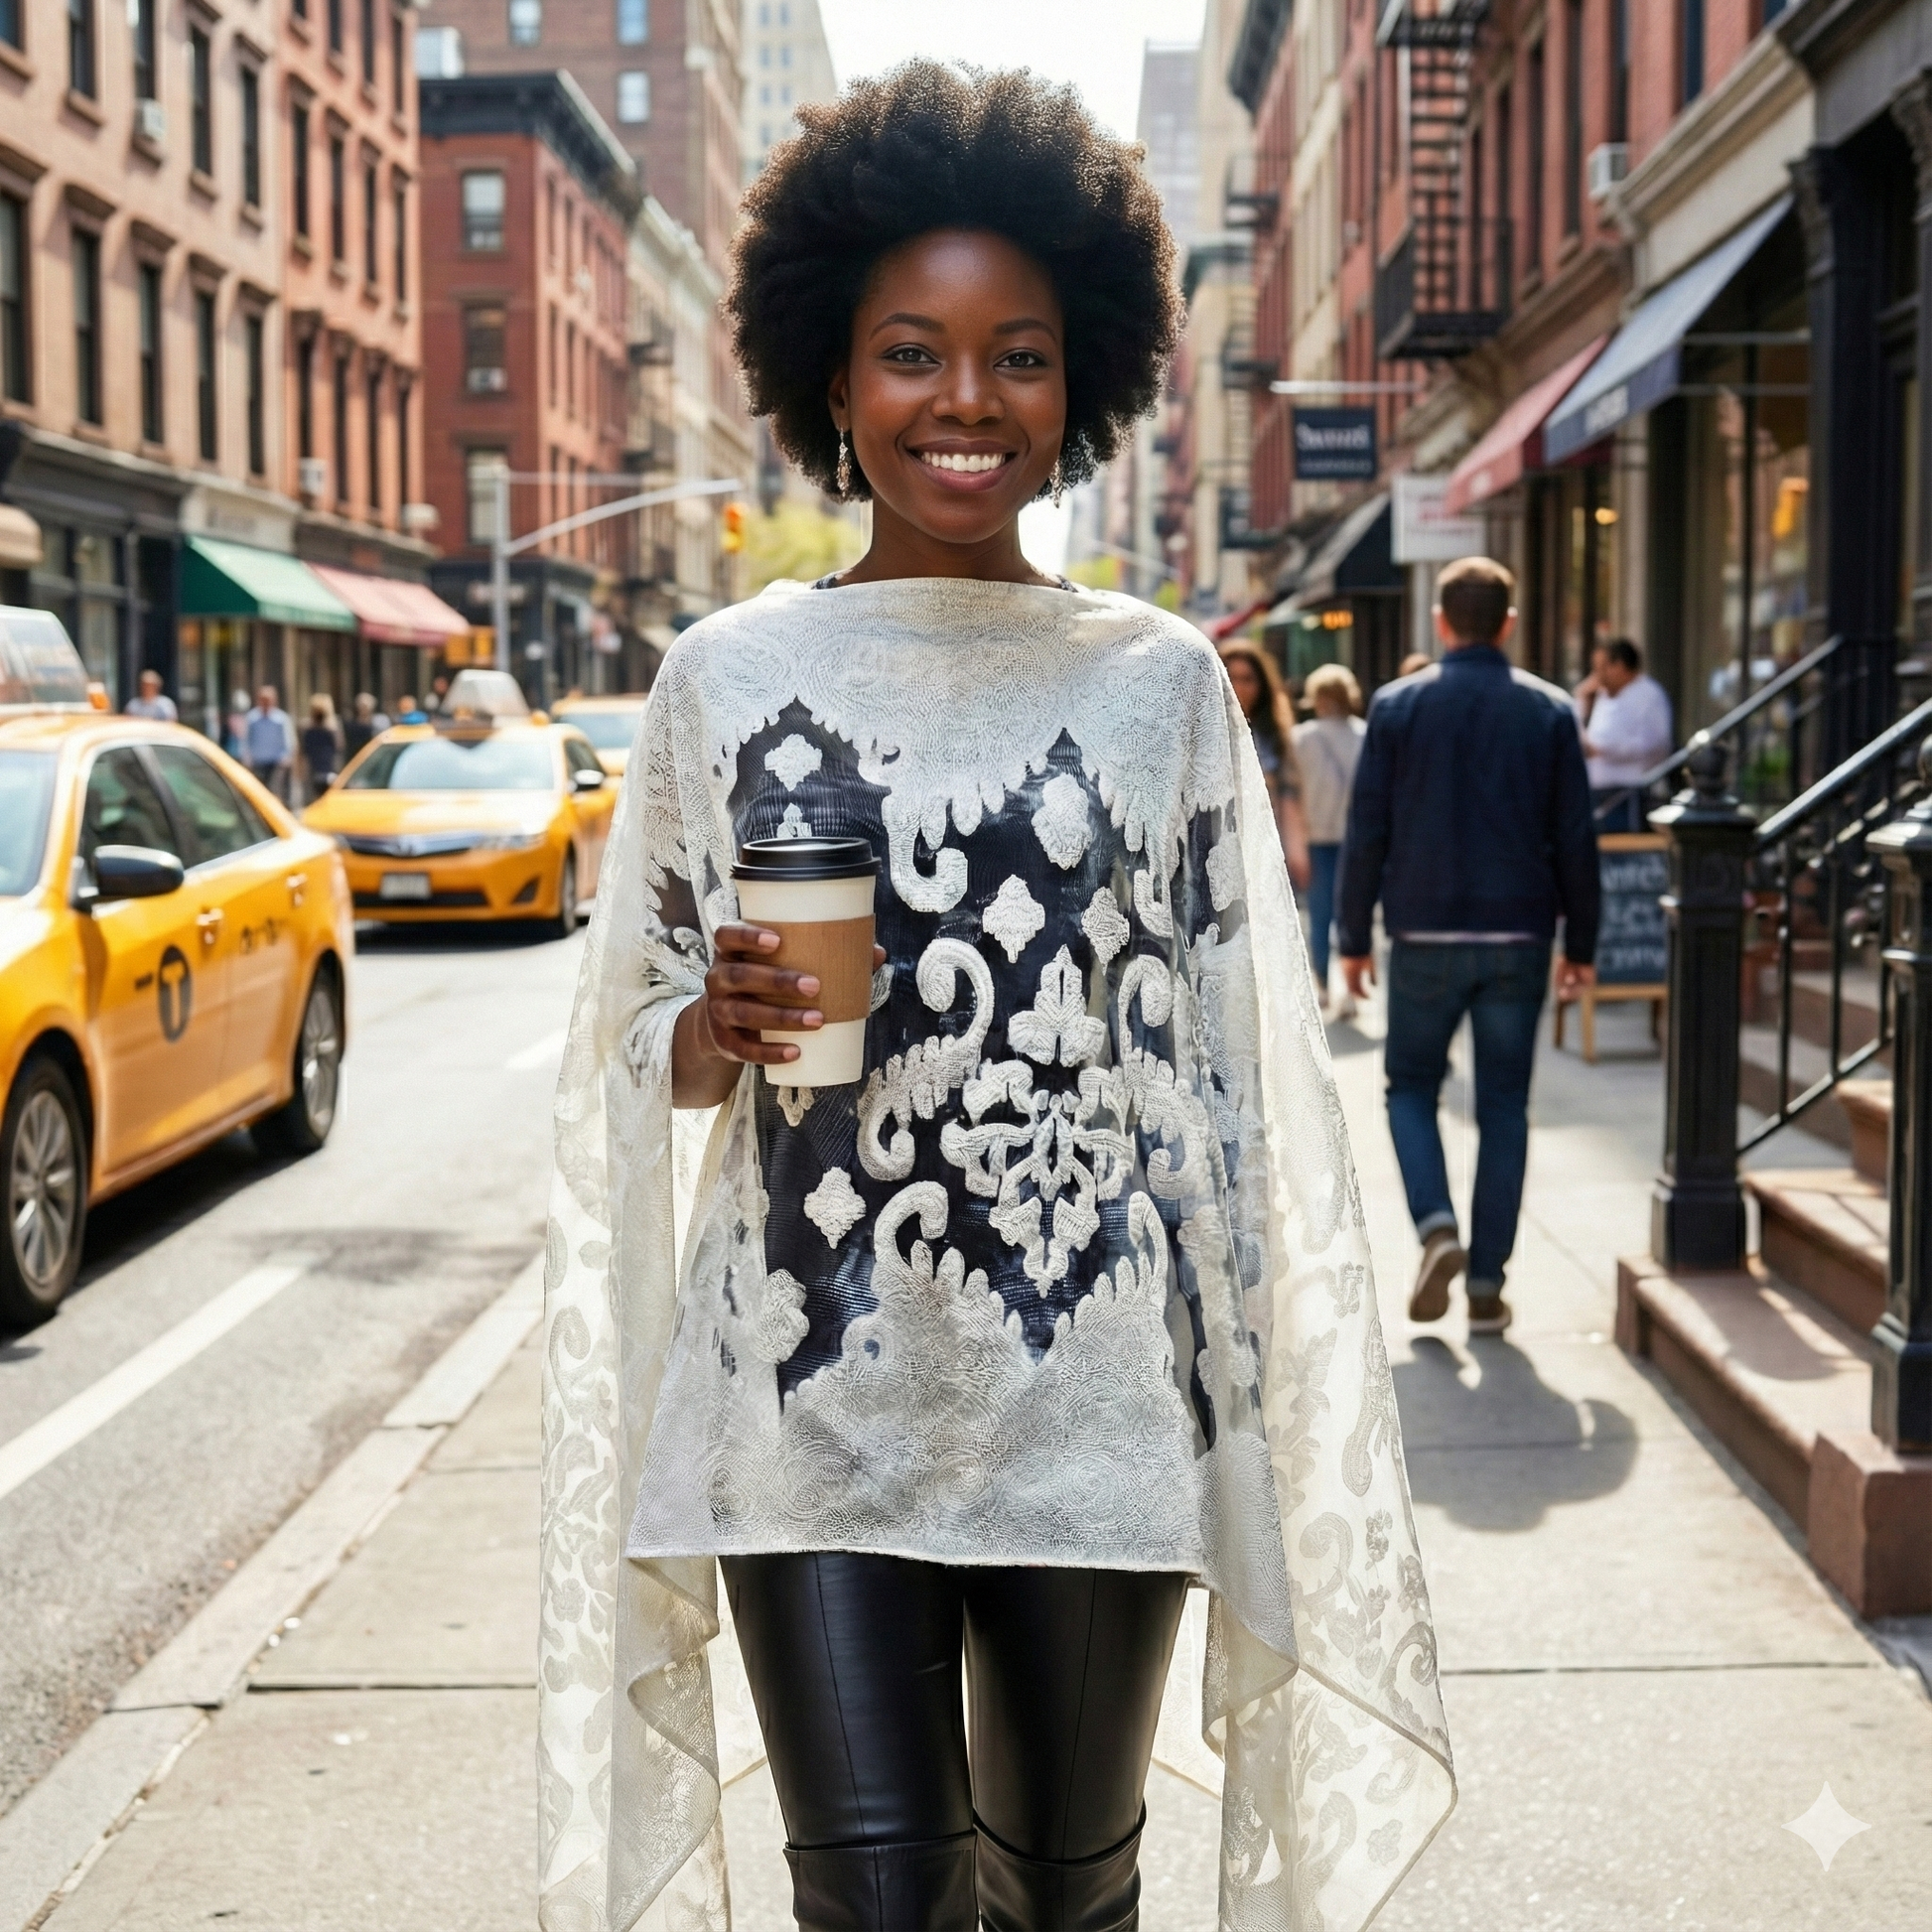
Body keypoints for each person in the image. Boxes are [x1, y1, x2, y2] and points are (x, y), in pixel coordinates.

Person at [541, 63, 1451, 1932]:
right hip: (806, 1388)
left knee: (1065, 1893)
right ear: (829, 377)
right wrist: (710, 1026)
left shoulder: (1162, 678)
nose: (964, 401)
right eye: (909, 352)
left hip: (1091, 1392)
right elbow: (627, 1051)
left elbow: (1222, 1065)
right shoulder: (721, 673)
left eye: (1016, 356)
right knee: (872, 1901)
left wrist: (1253, 1393)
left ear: (1085, 379)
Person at [1337, 556, 1598, 1336]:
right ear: (1509, 623)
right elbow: (1575, 840)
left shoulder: (1395, 708)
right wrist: (1582, 942)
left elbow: (1367, 832)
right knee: (1504, 1108)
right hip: (1519, 936)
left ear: (1442, 623)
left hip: (1422, 935)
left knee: (1410, 1090)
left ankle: (1435, 1226)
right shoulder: (1550, 712)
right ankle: (1486, 1284)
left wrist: (1352, 936)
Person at [1291, 661, 1365, 1011]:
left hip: (1315, 837)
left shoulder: (1302, 738)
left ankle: (1322, 985)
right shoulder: (1365, 735)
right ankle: (1351, 990)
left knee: (1319, 915)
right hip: (1357, 840)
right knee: (1354, 914)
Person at [1218, 640, 1311, 890]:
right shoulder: (1202, 734)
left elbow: (1288, 792)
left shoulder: (1273, 736)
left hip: (1262, 850)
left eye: (1248, 679)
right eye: (1231, 677)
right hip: (1214, 852)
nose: (1239, 687)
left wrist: (1295, 848)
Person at [1575, 636, 1673, 831]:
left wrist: (1603, 750)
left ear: (1619, 666)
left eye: (1601, 668)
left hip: (1629, 797)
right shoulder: (1601, 694)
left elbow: (1655, 745)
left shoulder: (1650, 695)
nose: (1597, 676)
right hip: (1596, 793)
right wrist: (1582, 702)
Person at [241, 685, 295, 800]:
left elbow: (288, 740)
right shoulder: (252, 718)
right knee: (258, 793)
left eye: (268, 700)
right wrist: (247, 757)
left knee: (274, 793)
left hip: (276, 763)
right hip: (258, 762)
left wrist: (286, 757)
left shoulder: (281, 719)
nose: (265, 703)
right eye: (263, 700)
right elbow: (246, 740)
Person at [301, 693, 345, 798]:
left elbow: (339, 748)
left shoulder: (333, 729)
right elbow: (302, 752)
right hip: (312, 770)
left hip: (329, 769)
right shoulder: (307, 729)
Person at [343, 691, 384, 759]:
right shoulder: (351, 724)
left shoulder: (376, 723)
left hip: (370, 756)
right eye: (361, 706)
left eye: (365, 706)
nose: (363, 709)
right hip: (354, 756)